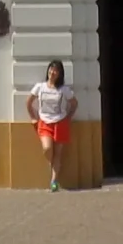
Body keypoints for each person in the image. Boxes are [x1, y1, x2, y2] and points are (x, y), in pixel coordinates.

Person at [29, 60, 77, 192]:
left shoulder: (64, 90)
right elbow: (29, 103)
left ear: (60, 74)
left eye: (56, 70)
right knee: (47, 148)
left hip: (60, 122)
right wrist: (33, 117)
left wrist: (68, 118)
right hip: (44, 122)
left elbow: (74, 104)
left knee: (58, 153)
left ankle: (54, 181)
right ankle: (51, 166)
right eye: (51, 69)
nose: (52, 72)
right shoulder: (40, 87)